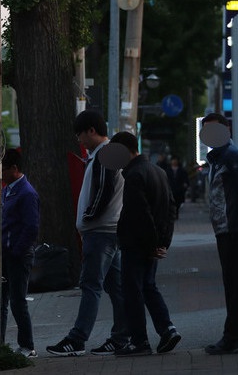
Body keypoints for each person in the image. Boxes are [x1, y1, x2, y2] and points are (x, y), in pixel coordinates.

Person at [46, 111, 129, 357]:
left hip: (100, 232)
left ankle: (77, 339)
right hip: (108, 231)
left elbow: (105, 189)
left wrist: (89, 216)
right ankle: (121, 337)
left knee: (91, 286)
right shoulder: (104, 154)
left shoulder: (104, 154)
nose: (79, 140)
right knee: (117, 288)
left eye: (80, 134)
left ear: (91, 130)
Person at [109, 131, 181, 356]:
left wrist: (152, 245)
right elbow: (171, 208)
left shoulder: (133, 176)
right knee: (149, 287)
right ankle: (167, 328)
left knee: (133, 291)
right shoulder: (158, 171)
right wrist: (162, 244)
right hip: (154, 243)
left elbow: (141, 214)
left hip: (137, 243)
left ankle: (139, 341)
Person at [199, 113, 238, 355]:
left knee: (235, 283)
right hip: (225, 229)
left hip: (234, 228)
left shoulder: (232, 156)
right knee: (232, 282)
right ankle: (235, 334)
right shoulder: (217, 158)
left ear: (226, 130)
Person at [0, 148, 40, 358]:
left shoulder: (26, 193)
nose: (1, 173)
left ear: (14, 169)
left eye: (3, 169)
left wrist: (16, 251)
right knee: (2, 302)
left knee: (17, 301)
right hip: (6, 255)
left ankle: (27, 345)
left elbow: (31, 227)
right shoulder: (8, 190)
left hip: (18, 255)